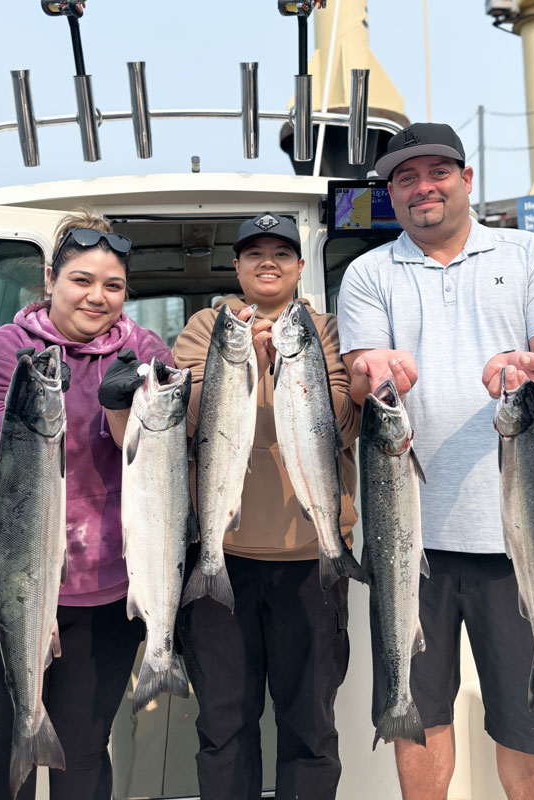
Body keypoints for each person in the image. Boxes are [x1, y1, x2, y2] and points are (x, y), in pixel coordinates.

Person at [337, 123, 534, 800]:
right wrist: (370, 368)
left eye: (436, 173)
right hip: (408, 546)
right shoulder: (368, 273)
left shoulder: (533, 253)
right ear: (391, 193)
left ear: (467, 178)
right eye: (404, 178)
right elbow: (360, 386)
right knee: (416, 719)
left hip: (522, 541)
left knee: (530, 726)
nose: (422, 188)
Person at [0, 208, 174, 799]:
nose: (97, 297)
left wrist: (125, 406)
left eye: (113, 286)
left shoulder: (147, 352)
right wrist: (29, 404)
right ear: (50, 278)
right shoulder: (6, 352)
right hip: (8, 581)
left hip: (102, 590)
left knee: (81, 756)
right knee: (2, 753)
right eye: (81, 280)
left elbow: (164, 457)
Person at [171, 213, 360, 800]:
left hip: (312, 558)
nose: (268, 262)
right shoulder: (209, 326)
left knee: (310, 724)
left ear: (302, 266)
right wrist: (242, 364)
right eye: (254, 253)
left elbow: (346, 424)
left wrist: (284, 362)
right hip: (219, 560)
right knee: (223, 724)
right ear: (237, 267)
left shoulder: (325, 329)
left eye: (282, 251)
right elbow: (185, 420)